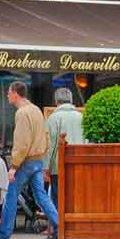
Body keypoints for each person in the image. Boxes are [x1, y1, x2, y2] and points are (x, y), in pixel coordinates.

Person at [0, 81, 59, 239]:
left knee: (10, 196)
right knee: (42, 197)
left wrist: (14, 166)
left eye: (9, 92)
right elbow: (46, 136)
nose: (7, 95)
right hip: (38, 160)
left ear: (15, 94)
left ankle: (3, 235)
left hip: (25, 161)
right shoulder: (36, 110)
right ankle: (61, 228)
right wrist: (41, 154)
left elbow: (22, 143)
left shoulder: (21, 113)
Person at [44, 87, 84, 220]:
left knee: (58, 199)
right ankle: (74, 227)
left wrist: (46, 168)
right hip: (79, 164)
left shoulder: (53, 118)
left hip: (58, 166)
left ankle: (59, 230)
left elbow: (51, 145)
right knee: (76, 197)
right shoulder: (81, 116)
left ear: (56, 101)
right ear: (71, 100)